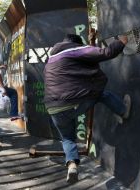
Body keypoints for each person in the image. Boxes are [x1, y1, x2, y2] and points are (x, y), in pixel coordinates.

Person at [43, 34, 131, 183]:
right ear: (77, 43)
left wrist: (92, 42)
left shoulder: (51, 59)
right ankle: (123, 110)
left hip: (53, 108)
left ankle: (71, 165)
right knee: (102, 94)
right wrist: (121, 41)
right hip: (74, 100)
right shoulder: (74, 50)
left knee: (67, 138)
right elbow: (105, 53)